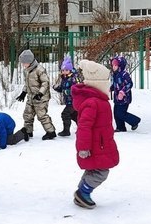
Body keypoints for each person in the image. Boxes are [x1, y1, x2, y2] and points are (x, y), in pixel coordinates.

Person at [71, 59, 120, 209]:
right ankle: (83, 192)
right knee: (101, 172)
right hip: (95, 146)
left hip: (100, 144)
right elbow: (84, 127)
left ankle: (82, 191)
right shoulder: (93, 102)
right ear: (98, 83)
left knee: (94, 169)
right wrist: (83, 148)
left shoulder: (98, 101)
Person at [16, 49, 56, 140]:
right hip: (31, 97)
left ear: (29, 61)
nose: (23, 65)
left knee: (41, 115)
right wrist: (23, 93)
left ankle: (51, 132)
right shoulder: (26, 70)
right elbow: (27, 83)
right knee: (27, 114)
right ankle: (28, 131)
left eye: (24, 63)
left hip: (41, 98)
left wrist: (40, 93)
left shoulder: (39, 69)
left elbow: (45, 83)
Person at [110, 55, 140, 132]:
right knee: (116, 113)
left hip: (124, 98)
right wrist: (111, 88)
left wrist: (123, 92)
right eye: (113, 65)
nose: (113, 67)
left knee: (121, 113)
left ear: (120, 65)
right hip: (117, 98)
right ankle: (120, 127)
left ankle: (135, 121)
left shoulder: (124, 74)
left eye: (115, 65)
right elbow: (115, 84)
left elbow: (129, 84)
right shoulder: (115, 74)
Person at [53, 55, 79, 137]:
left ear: (70, 70)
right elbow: (62, 88)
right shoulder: (64, 78)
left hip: (73, 101)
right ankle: (82, 127)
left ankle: (66, 131)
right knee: (73, 115)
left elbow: (77, 89)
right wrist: (58, 88)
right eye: (63, 70)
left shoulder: (73, 79)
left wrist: (69, 92)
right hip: (68, 101)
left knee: (65, 114)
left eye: (66, 70)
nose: (64, 71)